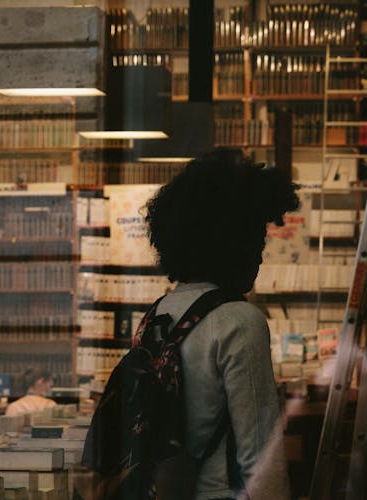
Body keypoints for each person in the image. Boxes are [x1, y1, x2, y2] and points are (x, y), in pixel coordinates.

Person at [143, 148, 299, 499]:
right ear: (232, 243)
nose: (260, 256)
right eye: (257, 242)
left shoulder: (158, 313)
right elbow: (261, 455)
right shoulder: (239, 322)